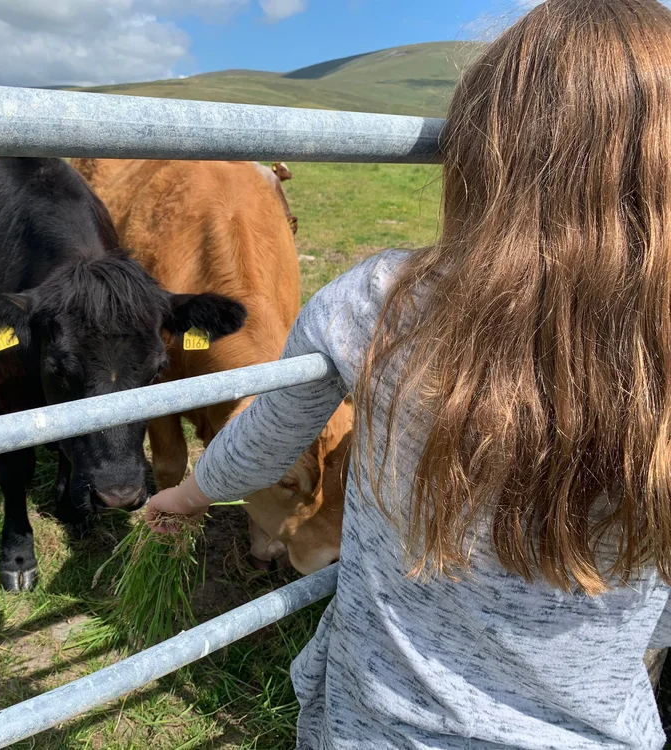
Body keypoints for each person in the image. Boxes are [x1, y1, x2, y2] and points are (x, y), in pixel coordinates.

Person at [146, 1, 671, 747]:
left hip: (379, 723)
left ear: (479, 148)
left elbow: (265, 438)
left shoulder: (378, 303)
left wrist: (190, 491)